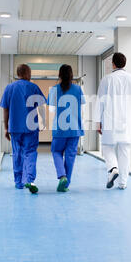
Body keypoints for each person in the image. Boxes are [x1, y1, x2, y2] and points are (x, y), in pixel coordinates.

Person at [93, 52, 131, 190]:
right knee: (125, 151)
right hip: (128, 120)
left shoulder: (107, 79)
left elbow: (100, 101)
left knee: (107, 146)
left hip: (110, 119)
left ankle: (113, 168)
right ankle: (123, 183)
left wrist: (97, 121)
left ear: (113, 64)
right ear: (124, 64)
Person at [0, 64, 46, 194]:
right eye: (30, 73)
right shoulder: (34, 87)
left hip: (15, 127)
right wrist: (42, 122)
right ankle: (29, 180)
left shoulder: (9, 88)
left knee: (17, 153)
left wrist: (6, 127)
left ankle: (18, 182)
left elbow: (5, 109)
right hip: (31, 126)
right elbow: (41, 106)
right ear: (26, 73)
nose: (30, 75)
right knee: (30, 152)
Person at [47, 64, 85, 192]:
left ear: (59, 75)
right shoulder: (78, 89)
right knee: (70, 156)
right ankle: (66, 183)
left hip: (59, 129)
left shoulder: (53, 90)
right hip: (74, 129)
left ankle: (62, 176)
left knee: (56, 151)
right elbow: (82, 105)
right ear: (71, 75)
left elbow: (51, 109)